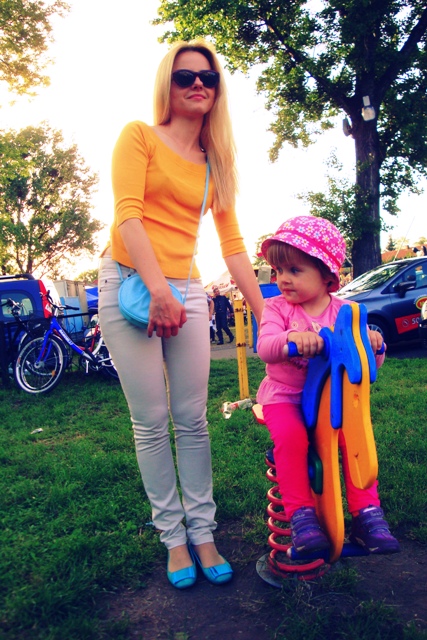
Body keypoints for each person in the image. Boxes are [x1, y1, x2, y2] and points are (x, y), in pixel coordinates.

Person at [98, 39, 264, 589]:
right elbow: (128, 215)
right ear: (167, 84)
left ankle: (204, 533)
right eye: (185, 75)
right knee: (150, 422)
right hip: (129, 284)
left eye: (208, 78)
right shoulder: (139, 136)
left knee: (192, 419)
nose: (198, 84)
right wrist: (157, 289)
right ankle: (173, 539)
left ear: (217, 91)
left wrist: (265, 312)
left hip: (188, 290)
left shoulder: (214, 163)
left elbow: (233, 246)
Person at [256, 216, 400, 557]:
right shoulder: (277, 308)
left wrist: (374, 346)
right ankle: (302, 517)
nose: (283, 279)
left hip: (332, 400)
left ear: (326, 274)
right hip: (285, 397)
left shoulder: (346, 312)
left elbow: (365, 367)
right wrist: (293, 338)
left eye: (294, 270)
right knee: (291, 439)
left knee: (355, 439)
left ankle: (367, 514)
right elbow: (265, 347)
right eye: (278, 270)